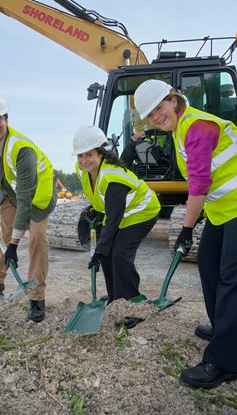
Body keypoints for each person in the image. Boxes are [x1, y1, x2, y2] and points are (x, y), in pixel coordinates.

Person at [134, 80, 237, 389]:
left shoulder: (197, 127)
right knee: (209, 263)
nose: (156, 117)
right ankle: (229, 330)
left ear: (174, 100)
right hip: (226, 207)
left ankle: (225, 361)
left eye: (159, 108)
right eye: (150, 114)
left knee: (234, 277)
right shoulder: (179, 128)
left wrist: (186, 229)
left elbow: (198, 183)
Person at [0, 88, 57, 323]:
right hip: (10, 190)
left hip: (37, 197)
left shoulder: (22, 149)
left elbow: (26, 200)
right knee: (3, 232)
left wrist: (14, 245)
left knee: (37, 240)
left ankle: (36, 297)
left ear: (6, 119)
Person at [71, 125, 161, 329]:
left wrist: (98, 251)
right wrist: (96, 210)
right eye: (80, 156)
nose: (84, 160)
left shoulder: (112, 177)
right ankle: (115, 299)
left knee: (120, 253)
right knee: (108, 253)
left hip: (143, 212)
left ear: (100, 154)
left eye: (89, 154)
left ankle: (132, 304)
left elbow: (113, 220)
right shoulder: (86, 172)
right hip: (122, 214)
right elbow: (102, 201)